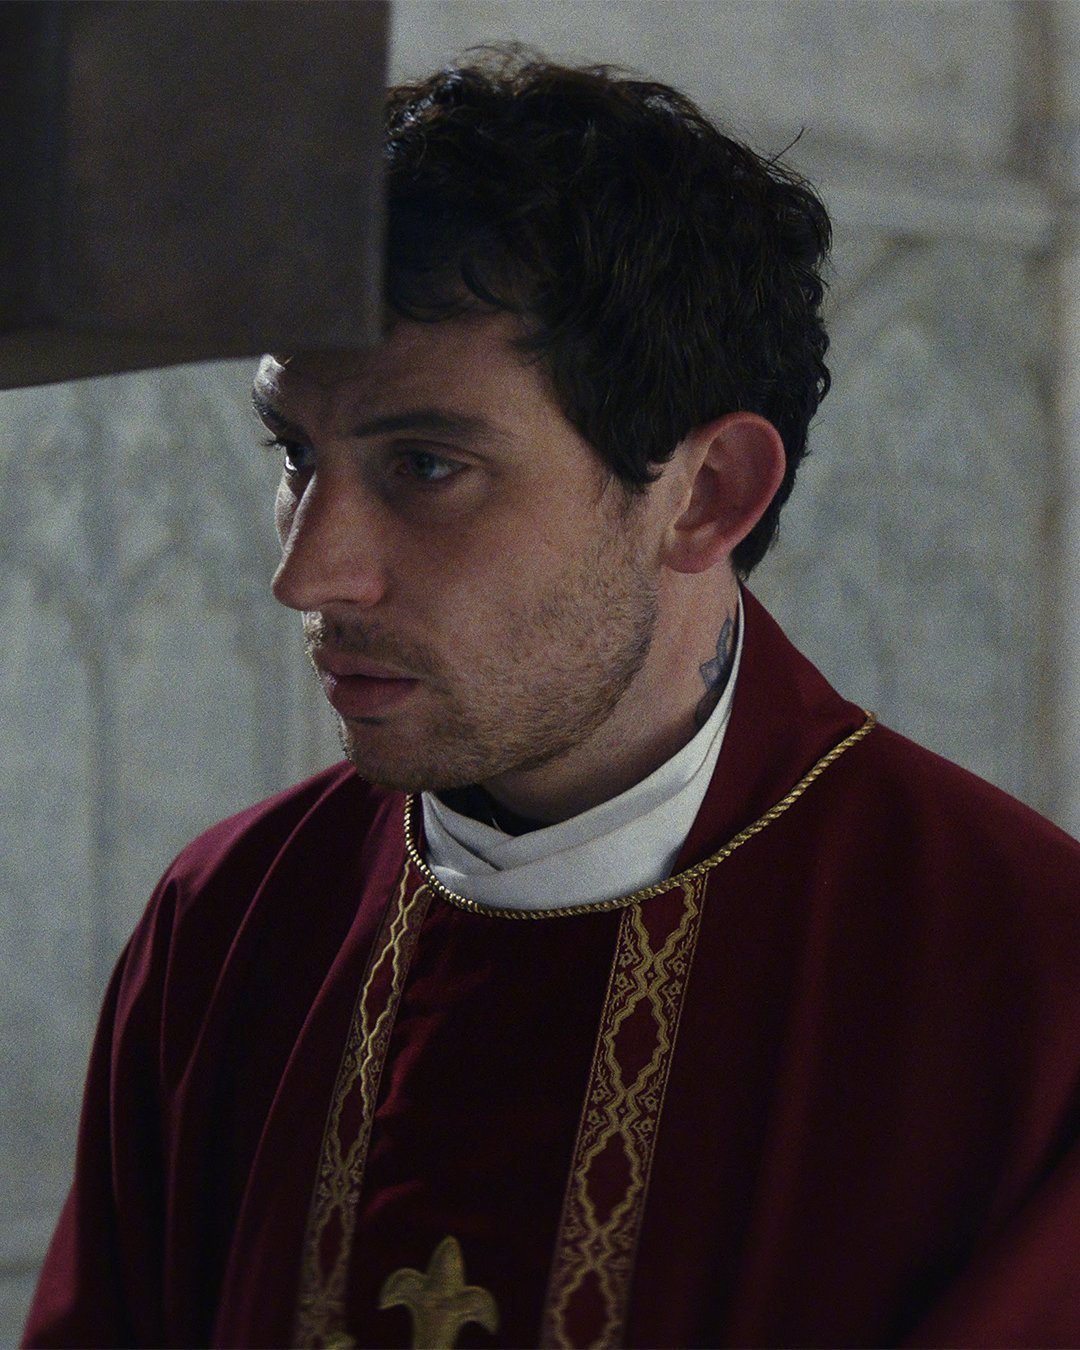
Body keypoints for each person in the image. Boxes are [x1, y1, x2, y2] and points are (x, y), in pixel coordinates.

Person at [24, 51, 1080, 1350]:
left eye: (426, 465)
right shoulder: (230, 921)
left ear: (704, 495)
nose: (305, 571)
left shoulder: (1029, 994)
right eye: (295, 453)